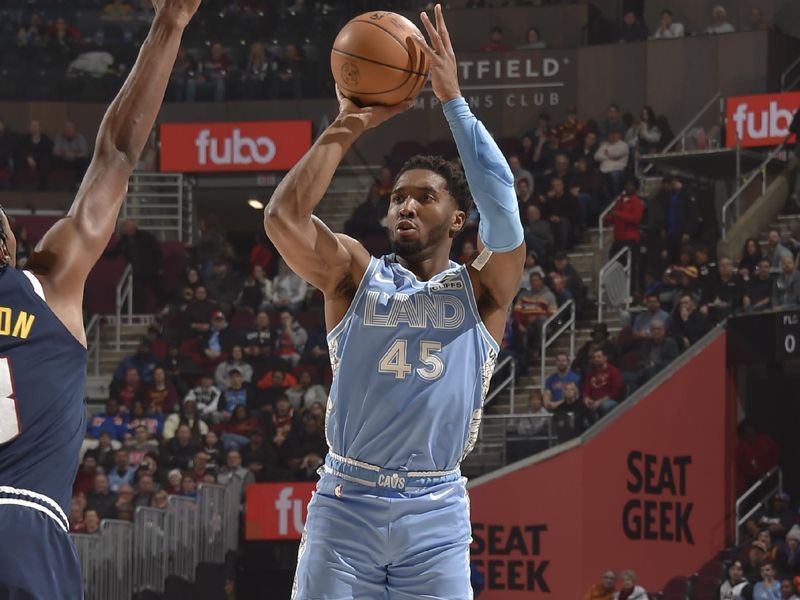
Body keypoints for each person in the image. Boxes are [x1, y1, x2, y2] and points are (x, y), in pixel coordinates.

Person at [263, 6, 525, 597]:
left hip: (435, 513)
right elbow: (282, 219)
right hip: (345, 504)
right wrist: (347, 123)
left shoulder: (482, 292)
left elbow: (504, 208)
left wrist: (453, 101)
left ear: (458, 217)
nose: (405, 206)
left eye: (423, 198)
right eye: (397, 198)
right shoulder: (354, 273)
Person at [0, 4, 201, 595]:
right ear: (11, 245)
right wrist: (169, 24)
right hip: (24, 525)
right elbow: (116, 152)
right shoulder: (51, 279)